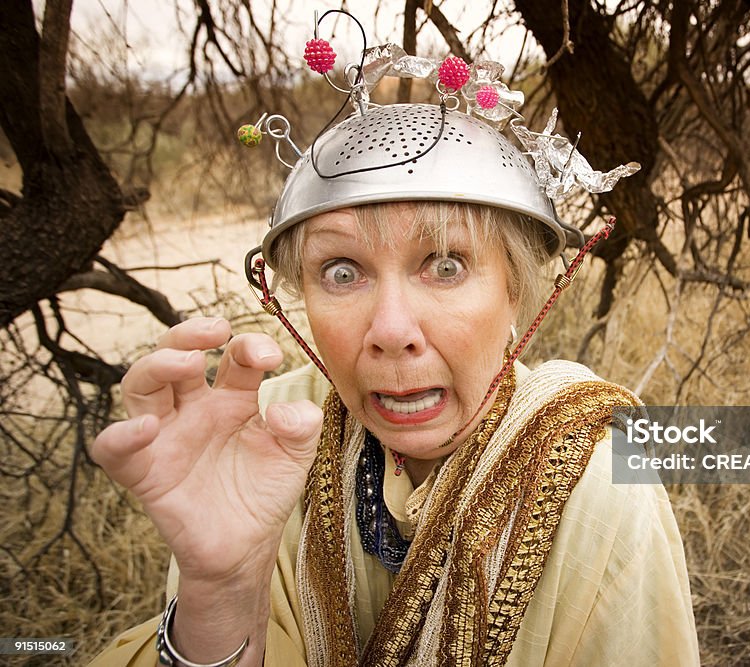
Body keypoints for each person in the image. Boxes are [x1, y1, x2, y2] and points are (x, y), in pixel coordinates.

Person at [87, 25, 699, 667]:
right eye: (342, 272)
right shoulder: (264, 441)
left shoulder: (593, 483)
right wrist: (221, 588)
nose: (390, 330)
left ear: (515, 288)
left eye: (445, 264)